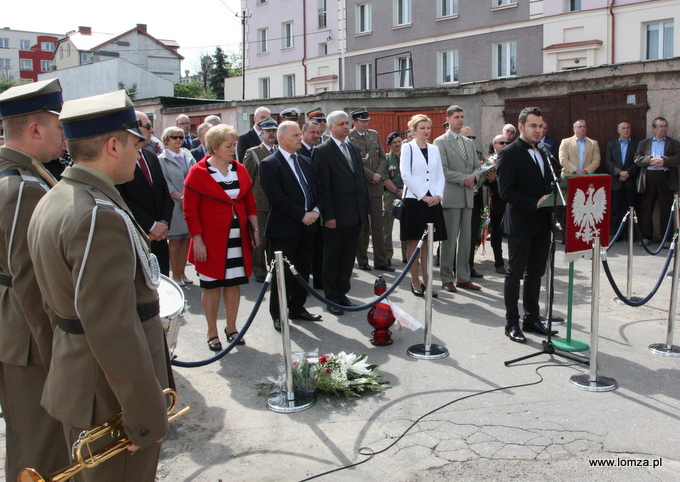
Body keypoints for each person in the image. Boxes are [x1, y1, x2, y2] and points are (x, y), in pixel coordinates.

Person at [28, 89, 173, 481]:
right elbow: (113, 326)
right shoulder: (98, 214)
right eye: (134, 145)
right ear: (113, 144)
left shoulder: (56, 196)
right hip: (110, 397)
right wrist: (144, 414)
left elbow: (46, 305)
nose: (138, 154)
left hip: (82, 381)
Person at [0, 78, 70, 481]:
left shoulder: (19, 174)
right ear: (36, 130)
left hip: (13, 332)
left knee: (26, 437)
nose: (64, 136)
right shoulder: (23, 187)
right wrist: (56, 352)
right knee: (42, 448)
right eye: (58, 126)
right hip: (30, 340)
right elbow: (31, 281)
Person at [184, 124, 259, 350]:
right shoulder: (198, 173)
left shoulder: (239, 170)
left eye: (234, 144)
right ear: (214, 148)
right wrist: (198, 241)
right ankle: (211, 331)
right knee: (212, 286)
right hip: (210, 241)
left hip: (238, 239)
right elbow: (190, 210)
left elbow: (249, 202)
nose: (233, 149)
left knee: (234, 284)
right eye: (228, 146)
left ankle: (232, 327)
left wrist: (255, 230)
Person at [496, 106, 559, 343]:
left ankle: (532, 319)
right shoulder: (509, 153)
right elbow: (506, 192)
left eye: (541, 126)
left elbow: (549, 182)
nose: (538, 130)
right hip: (521, 222)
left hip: (543, 222)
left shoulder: (544, 152)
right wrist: (535, 203)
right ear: (521, 127)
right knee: (515, 273)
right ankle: (512, 322)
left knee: (536, 272)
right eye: (533, 126)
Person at [260, 121, 323, 331]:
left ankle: (298, 307)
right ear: (282, 138)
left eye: (300, 134)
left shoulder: (305, 161)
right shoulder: (270, 163)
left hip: (309, 226)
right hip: (284, 229)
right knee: (282, 274)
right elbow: (276, 197)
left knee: (303, 270)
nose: (300, 138)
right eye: (296, 135)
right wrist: (301, 215)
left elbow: (317, 189)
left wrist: (315, 211)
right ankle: (278, 313)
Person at [313, 111, 371, 315]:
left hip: (354, 214)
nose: (346, 127)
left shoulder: (353, 149)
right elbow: (323, 187)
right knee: (332, 257)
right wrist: (328, 215)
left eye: (347, 123)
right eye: (341, 124)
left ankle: (343, 293)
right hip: (335, 216)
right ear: (330, 128)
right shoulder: (323, 151)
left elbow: (361, 182)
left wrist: (366, 210)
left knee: (347, 257)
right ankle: (331, 298)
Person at [117, 112, 174, 276]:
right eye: (147, 126)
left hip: (160, 238)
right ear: (133, 128)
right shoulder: (119, 160)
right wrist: (151, 225)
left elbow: (164, 192)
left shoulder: (150, 155)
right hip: (138, 236)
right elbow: (121, 199)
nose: (152, 131)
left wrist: (163, 223)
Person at [434, 105, 481, 292]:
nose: (460, 120)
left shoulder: (468, 142)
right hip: (452, 196)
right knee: (449, 240)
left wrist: (475, 176)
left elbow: (478, 166)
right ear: (448, 119)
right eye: (457, 117)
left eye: (462, 116)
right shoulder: (440, 142)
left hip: (468, 196)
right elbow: (443, 170)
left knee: (466, 240)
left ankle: (463, 277)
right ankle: (446, 277)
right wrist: (465, 178)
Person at [400, 115, 446, 297]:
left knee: (428, 243)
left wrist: (438, 195)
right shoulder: (407, 148)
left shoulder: (434, 149)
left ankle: (428, 281)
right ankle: (415, 281)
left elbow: (440, 175)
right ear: (413, 130)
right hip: (414, 200)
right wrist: (423, 196)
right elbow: (405, 175)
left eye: (428, 127)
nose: (426, 131)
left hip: (433, 201)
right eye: (422, 128)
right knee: (414, 241)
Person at [348, 107, 393, 272]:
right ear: (354, 122)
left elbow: (383, 156)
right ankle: (363, 260)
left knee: (378, 226)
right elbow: (353, 162)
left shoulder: (373, 135)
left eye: (367, 121)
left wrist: (378, 174)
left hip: (375, 187)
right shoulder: (349, 137)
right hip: (360, 186)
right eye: (362, 121)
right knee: (362, 227)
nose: (366, 124)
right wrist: (370, 175)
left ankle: (381, 261)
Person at [158, 126, 197, 286]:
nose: (179, 140)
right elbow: (164, 183)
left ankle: (182, 272)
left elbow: (196, 175)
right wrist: (181, 197)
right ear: (167, 140)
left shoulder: (188, 154)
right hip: (174, 205)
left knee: (187, 238)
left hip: (191, 203)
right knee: (175, 240)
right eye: (175, 137)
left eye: (181, 137)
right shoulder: (161, 159)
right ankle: (175, 275)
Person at [243, 117, 279, 282]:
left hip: (277, 203)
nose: (271, 134)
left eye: (274, 131)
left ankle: (274, 268)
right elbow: (247, 179)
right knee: (260, 239)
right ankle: (259, 270)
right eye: (268, 131)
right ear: (261, 134)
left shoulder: (280, 150)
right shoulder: (254, 152)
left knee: (274, 239)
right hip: (260, 202)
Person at [634, 117, 680, 245]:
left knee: (666, 208)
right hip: (648, 177)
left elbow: (678, 158)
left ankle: (667, 237)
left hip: (666, 176)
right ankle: (647, 236)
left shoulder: (674, 143)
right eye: (660, 126)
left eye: (665, 126)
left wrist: (664, 161)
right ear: (654, 128)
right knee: (647, 207)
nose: (663, 129)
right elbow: (637, 159)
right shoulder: (644, 143)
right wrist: (650, 160)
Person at [605, 121, 639, 236]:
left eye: (628, 128)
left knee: (631, 209)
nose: (626, 130)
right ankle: (617, 234)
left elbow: (638, 161)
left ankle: (630, 234)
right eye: (623, 128)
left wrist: (628, 172)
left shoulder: (637, 144)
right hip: (617, 181)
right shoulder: (611, 145)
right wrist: (619, 172)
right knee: (617, 209)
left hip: (631, 181)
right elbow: (609, 162)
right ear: (618, 130)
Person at [461, 125, 485, 279]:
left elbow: (481, 175)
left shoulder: (478, 154)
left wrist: (483, 178)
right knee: (457, 237)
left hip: (475, 199)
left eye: (473, 137)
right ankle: (454, 267)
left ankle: (469, 265)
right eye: (468, 137)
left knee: (471, 236)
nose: (471, 140)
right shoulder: (455, 153)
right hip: (459, 198)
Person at [485, 134, 510, 274]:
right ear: (494, 145)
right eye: (502, 142)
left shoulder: (512, 158)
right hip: (497, 203)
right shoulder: (489, 161)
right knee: (496, 234)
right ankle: (499, 262)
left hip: (511, 202)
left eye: (507, 142)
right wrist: (493, 180)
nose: (505, 145)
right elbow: (487, 182)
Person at [383, 131, 407, 265]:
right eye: (394, 143)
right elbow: (385, 178)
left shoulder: (407, 157)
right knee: (387, 226)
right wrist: (397, 191)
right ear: (389, 145)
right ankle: (387, 256)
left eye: (399, 142)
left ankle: (406, 255)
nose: (397, 144)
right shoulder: (386, 159)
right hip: (390, 194)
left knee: (406, 225)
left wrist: (404, 191)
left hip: (407, 193)